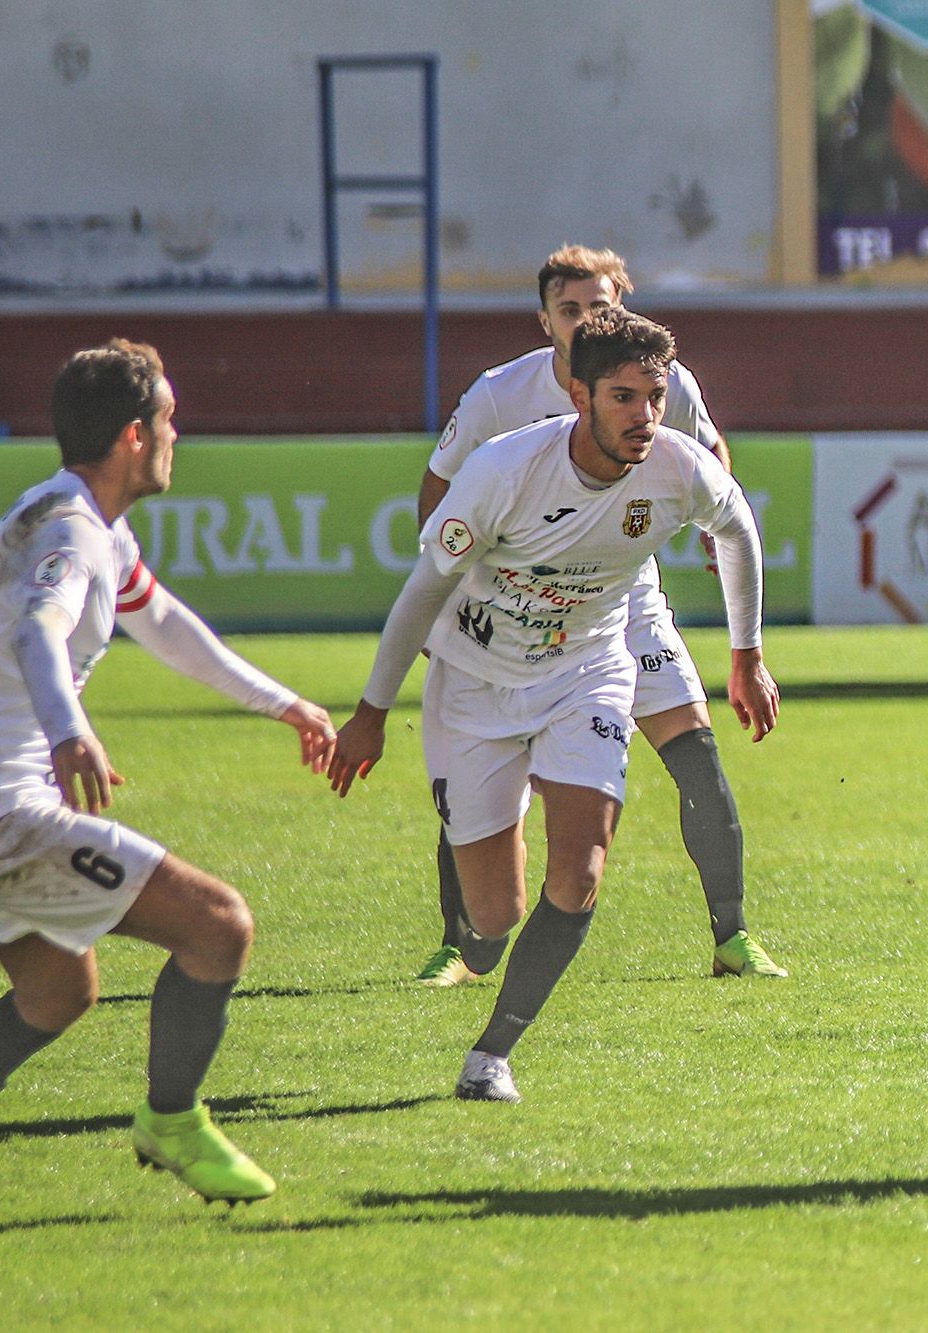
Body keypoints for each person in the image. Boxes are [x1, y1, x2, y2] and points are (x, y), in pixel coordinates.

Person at [0, 340, 337, 1208]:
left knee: (58, 991)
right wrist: (69, 733)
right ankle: (172, 1122)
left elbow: (165, 621)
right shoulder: (69, 530)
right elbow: (38, 630)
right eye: (171, 420)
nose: (181, 436)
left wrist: (285, 703)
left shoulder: (83, 521)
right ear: (136, 435)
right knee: (219, 927)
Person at [329, 309, 780, 1102]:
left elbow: (737, 528)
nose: (643, 416)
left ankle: (491, 1055)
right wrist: (370, 711)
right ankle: (482, 913)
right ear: (578, 395)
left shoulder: (678, 467)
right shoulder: (504, 472)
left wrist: (746, 655)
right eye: (623, 397)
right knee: (496, 914)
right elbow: (422, 590)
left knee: (581, 869)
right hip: (474, 686)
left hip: (587, 672)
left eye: (655, 394)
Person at [406, 245, 786, 987]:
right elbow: (438, 486)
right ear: (545, 318)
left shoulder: (658, 380)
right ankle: (461, 944)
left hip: (623, 599)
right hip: (516, 610)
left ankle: (732, 937)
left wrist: (715, 534)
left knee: (697, 755)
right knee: (485, 771)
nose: (585, 319)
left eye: (599, 306)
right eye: (570, 309)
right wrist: (452, 596)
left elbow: (713, 461)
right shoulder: (498, 394)